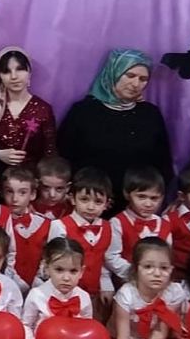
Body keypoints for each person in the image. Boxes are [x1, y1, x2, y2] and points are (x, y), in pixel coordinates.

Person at [57, 49, 173, 215]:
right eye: (130, 75)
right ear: (113, 72)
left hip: (136, 209)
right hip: (89, 206)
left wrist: (152, 200)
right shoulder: (84, 111)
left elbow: (163, 163)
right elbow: (63, 158)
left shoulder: (150, 114)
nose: (136, 84)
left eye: (143, 79)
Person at [0, 47, 57, 173]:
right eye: (6, 71)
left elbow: (49, 152)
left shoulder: (43, 109)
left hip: (30, 179)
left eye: (20, 69)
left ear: (29, 71)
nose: (14, 76)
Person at [58, 168, 116, 317]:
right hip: (66, 294)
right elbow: (53, 261)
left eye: (98, 202)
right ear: (73, 199)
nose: (91, 207)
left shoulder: (108, 227)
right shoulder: (60, 226)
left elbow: (104, 261)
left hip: (94, 295)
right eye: (84, 199)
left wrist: (106, 285)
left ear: (107, 204)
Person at [105, 167, 173, 283]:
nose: (148, 204)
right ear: (127, 194)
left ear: (162, 198)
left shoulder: (164, 225)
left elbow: (167, 258)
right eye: (141, 197)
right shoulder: (117, 223)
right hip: (128, 282)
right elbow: (111, 256)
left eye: (154, 198)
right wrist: (136, 274)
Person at [5, 167, 64, 288]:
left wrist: (38, 280)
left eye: (22, 192)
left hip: (39, 288)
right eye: (9, 191)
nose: (15, 199)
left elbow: (50, 257)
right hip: (7, 285)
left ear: (32, 194)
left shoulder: (47, 224)